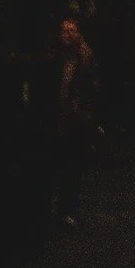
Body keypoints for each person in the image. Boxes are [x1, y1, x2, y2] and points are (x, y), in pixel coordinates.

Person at [54, 16, 99, 227]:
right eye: (65, 31)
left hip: (75, 118)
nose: (68, 35)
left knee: (72, 165)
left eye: (72, 30)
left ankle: (67, 208)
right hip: (60, 115)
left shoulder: (85, 57)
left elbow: (91, 89)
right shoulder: (56, 57)